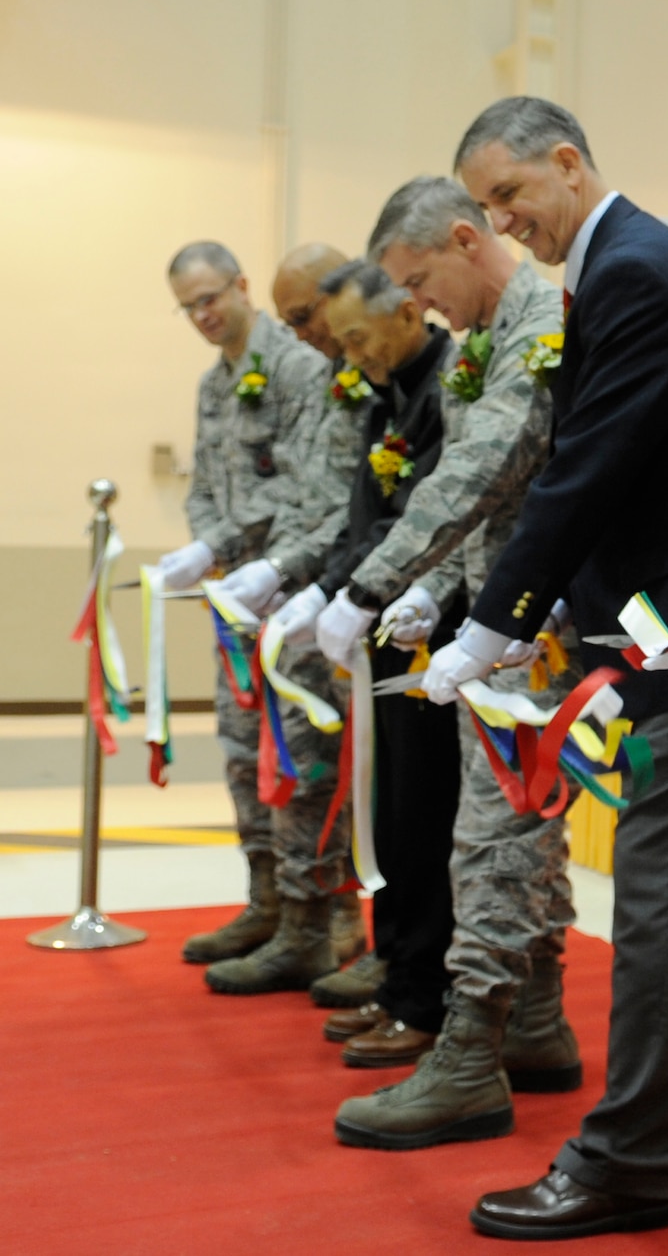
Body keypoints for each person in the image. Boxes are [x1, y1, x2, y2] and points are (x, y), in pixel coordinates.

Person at [413, 97, 668, 1242]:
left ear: (567, 164)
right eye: (484, 206)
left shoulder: (635, 269)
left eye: (509, 195)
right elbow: (630, 473)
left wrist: (492, 620)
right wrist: (556, 617)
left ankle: (627, 1157)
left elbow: (586, 468)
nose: (501, 220)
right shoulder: (624, 263)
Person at [305, 176, 577, 1147]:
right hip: (499, 609)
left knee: (493, 839)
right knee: (517, 833)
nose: (417, 305)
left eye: (419, 281)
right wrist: (432, 585)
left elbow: (486, 467)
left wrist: (373, 585)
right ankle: (536, 1025)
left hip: (536, 617)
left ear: (464, 242)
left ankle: (472, 1051)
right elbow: (486, 496)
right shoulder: (483, 340)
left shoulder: (539, 319)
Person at [268, 260, 465, 1058]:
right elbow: (364, 515)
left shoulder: (449, 383)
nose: (348, 354)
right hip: (381, 616)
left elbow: (434, 511)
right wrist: (329, 589)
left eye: (355, 336)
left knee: (422, 818)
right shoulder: (384, 390)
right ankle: (397, 978)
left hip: (434, 628)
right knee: (385, 813)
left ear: (406, 311)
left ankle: (426, 996)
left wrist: (361, 589)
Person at [159, 241, 363, 984]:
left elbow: (308, 487)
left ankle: (327, 912)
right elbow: (203, 479)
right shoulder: (216, 385)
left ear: (243, 285)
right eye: (190, 306)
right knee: (247, 752)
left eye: (212, 296)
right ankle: (268, 900)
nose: (204, 314)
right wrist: (203, 540)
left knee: (303, 756)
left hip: (292, 590)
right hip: (237, 598)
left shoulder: (300, 366)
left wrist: (225, 539)